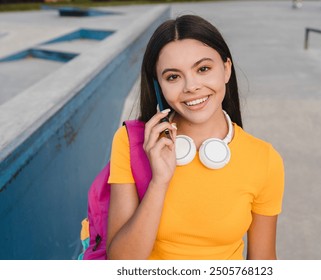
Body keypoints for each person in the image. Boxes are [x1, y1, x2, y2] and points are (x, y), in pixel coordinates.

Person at [106, 15, 284, 260]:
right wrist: (159, 182)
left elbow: (263, 262)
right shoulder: (131, 142)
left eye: (203, 69)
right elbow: (120, 263)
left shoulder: (264, 160)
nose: (191, 86)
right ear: (158, 86)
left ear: (226, 69)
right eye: (173, 77)